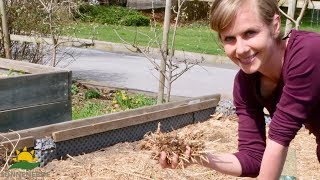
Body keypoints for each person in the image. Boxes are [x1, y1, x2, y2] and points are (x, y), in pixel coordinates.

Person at [159, 0, 320, 179]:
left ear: (275, 26)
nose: (241, 49)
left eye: (250, 33)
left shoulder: (308, 53)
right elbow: (253, 159)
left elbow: (280, 137)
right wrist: (197, 156)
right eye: (229, 38)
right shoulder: (245, 84)